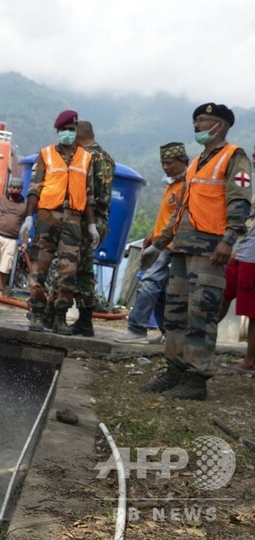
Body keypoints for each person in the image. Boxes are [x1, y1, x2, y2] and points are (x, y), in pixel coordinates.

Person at [139, 103, 252, 400]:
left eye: (203, 120)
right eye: (196, 120)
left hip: (210, 249)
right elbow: (181, 211)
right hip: (181, 248)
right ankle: (174, 369)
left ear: (221, 125)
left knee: (201, 314)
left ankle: (196, 378)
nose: (197, 125)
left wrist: (228, 240)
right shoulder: (196, 162)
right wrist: (160, 243)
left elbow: (240, 202)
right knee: (176, 314)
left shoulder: (234, 157)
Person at [20, 109, 99, 334]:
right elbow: (34, 189)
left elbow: (90, 194)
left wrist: (91, 225)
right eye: (64, 129)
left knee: (69, 271)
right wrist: (28, 217)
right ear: (57, 131)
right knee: (39, 267)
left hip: (74, 219)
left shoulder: (86, 158)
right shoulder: (45, 155)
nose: (68, 133)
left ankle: (60, 317)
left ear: (76, 131)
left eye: (72, 130)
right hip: (46, 216)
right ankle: (36, 314)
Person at [114, 142, 188, 344]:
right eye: (163, 163)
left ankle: (137, 328)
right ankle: (166, 333)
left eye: (169, 163)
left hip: (170, 244)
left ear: (182, 161)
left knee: (149, 282)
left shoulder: (187, 186)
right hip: (160, 241)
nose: (165, 167)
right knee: (162, 290)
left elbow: (178, 219)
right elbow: (165, 216)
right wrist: (152, 234)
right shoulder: (172, 185)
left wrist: (160, 241)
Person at [58, 120, 116, 336]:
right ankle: (85, 320)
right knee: (84, 270)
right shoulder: (107, 157)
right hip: (100, 220)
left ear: (78, 135)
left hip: (84, 218)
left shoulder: (87, 157)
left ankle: (57, 315)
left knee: (67, 267)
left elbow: (84, 192)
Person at [217, 219, 255, 376]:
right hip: (243, 253)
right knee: (222, 295)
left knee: (253, 312)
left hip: (252, 260)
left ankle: (249, 361)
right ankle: (198, 343)